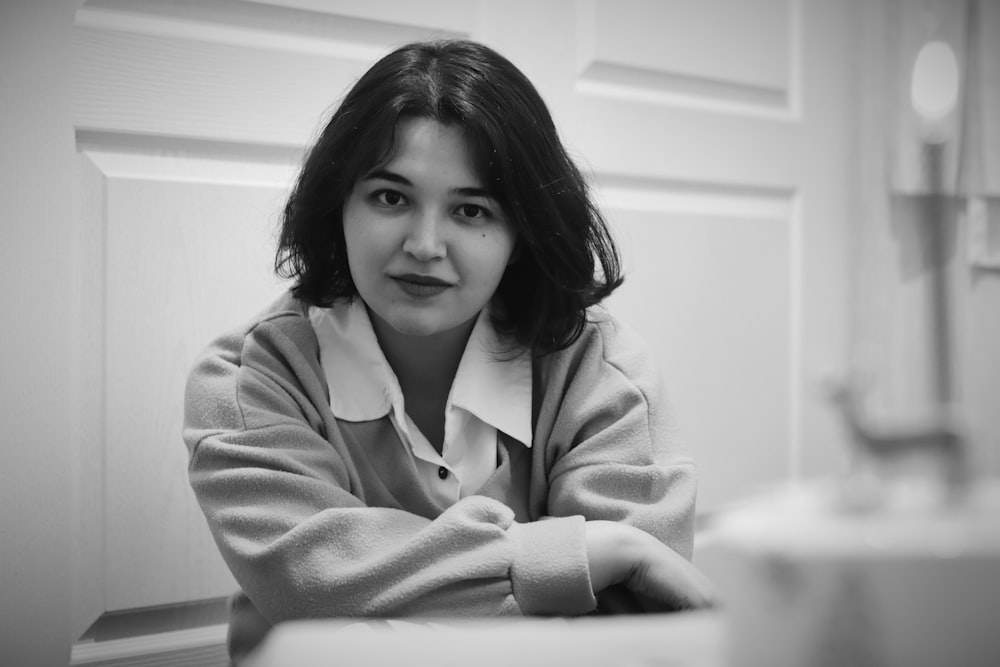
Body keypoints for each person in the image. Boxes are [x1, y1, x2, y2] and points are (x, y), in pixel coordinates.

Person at [183, 38, 714, 662]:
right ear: (338, 207)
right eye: (391, 197)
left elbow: (636, 624)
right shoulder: (250, 380)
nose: (426, 244)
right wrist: (576, 559)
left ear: (521, 233)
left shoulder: (602, 371)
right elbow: (305, 580)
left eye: (470, 209)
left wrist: (378, 601)